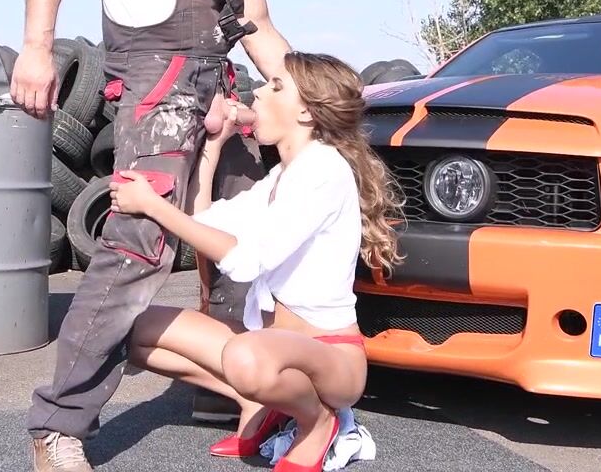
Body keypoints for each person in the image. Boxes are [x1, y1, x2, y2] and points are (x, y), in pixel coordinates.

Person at [11, 0, 320, 472]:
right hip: (157, 93)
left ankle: (246, 394)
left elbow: (260, 26)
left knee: (251, 242)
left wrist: (313, 99)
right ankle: (58, 424)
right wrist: (36, 47)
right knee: (139, 249)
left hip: (220, 92)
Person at [110, 51, 405, 471]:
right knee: (133, 328)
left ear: (306, 112)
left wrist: (153, 207)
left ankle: (318, 420)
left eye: (276, 87)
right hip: (267, 346)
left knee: (246, 357)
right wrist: (214, 146)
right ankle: (262, 404)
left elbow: (247, 259)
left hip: (330, 359)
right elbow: (203, 223)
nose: (260, 93)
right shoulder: (282, 175)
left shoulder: (323, 170)